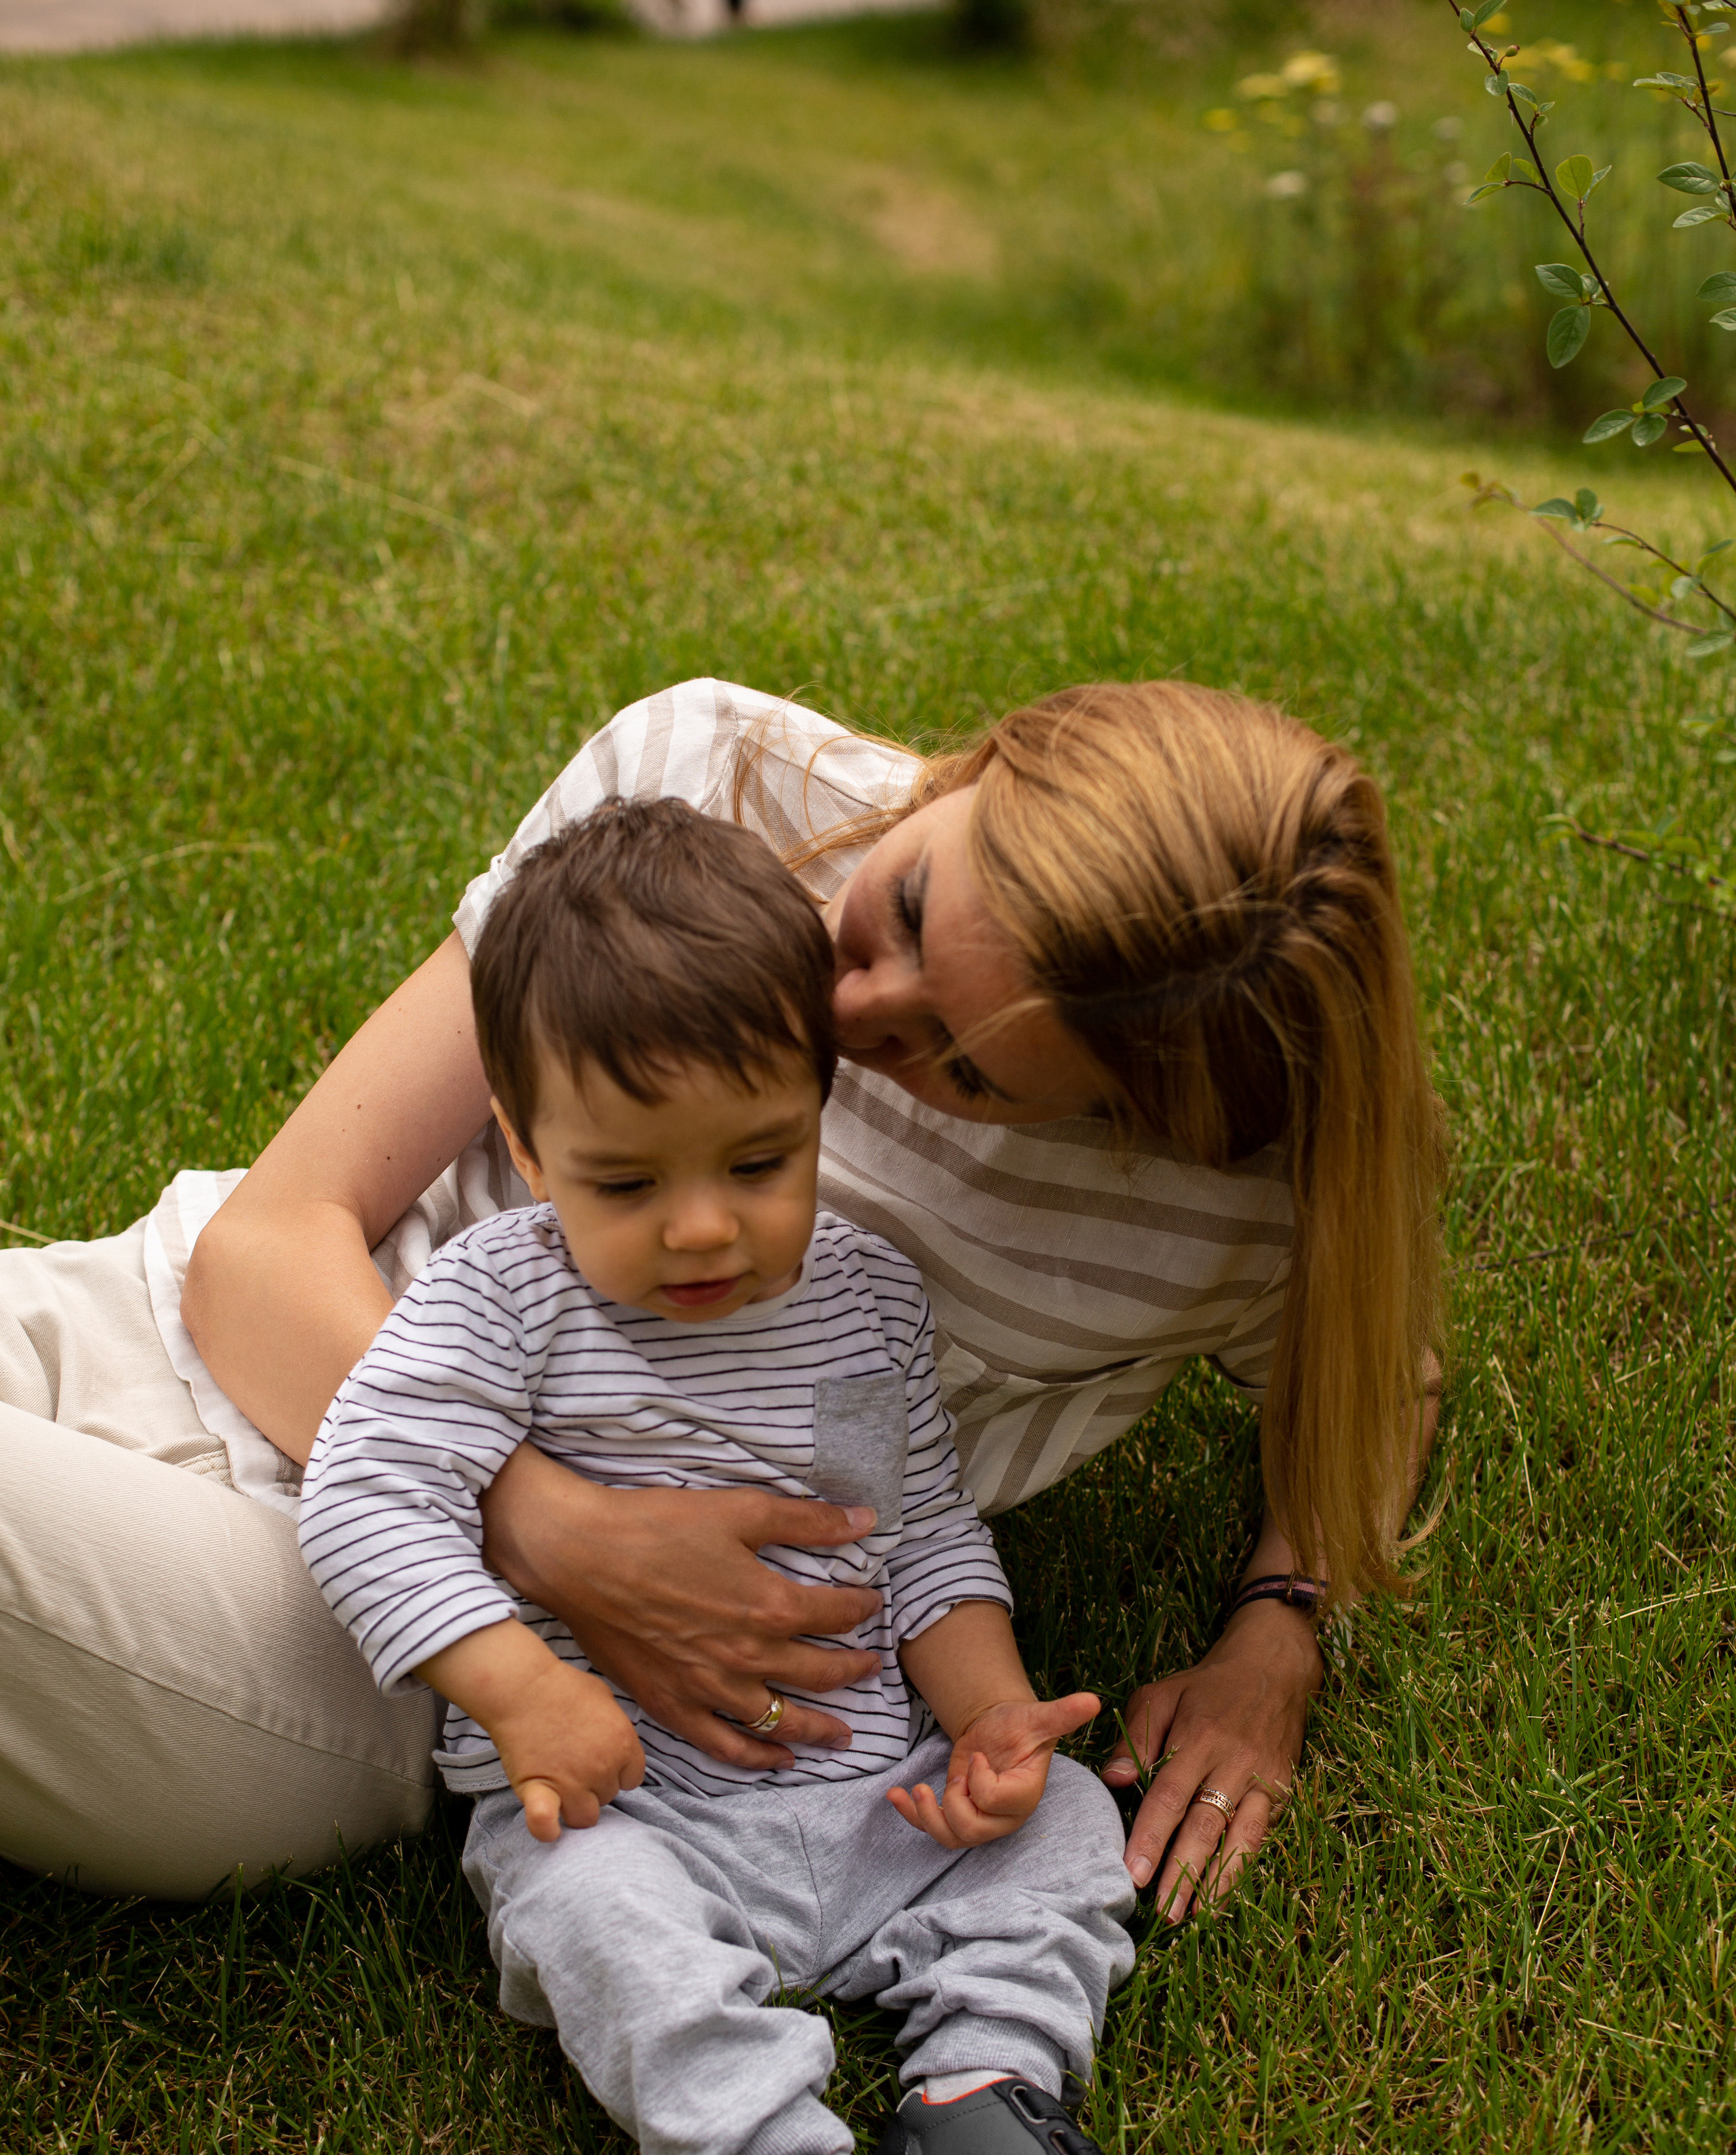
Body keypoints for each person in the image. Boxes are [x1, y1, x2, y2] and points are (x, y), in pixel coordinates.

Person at [0, 674, 1442, 1906]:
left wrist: (1276, 1623)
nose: (849, 1011)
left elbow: (1380, 1384)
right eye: (914, 904)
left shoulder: (1228, 1214)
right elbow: (269, 1246)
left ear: (1136, 1114)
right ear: (997, 756)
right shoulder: (711, 780)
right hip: (150, 1316)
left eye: (968, 1066)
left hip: (381, 1638)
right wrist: (565, 1530)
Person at [299, 799, 1197, 2155]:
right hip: (627, 1802)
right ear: (523, 1144)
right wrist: (522, 1689)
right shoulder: (499, 1299)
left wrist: (986, 1722)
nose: (703, 1224)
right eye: (627, 1181)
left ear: (819, 1103)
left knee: (1060, 1825)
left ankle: (984, 2103)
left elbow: (909, 1532)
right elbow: (367, 1492)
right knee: (592, 1916)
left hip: (877, 1798)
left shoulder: (859, 1300)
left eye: (758, 1159)